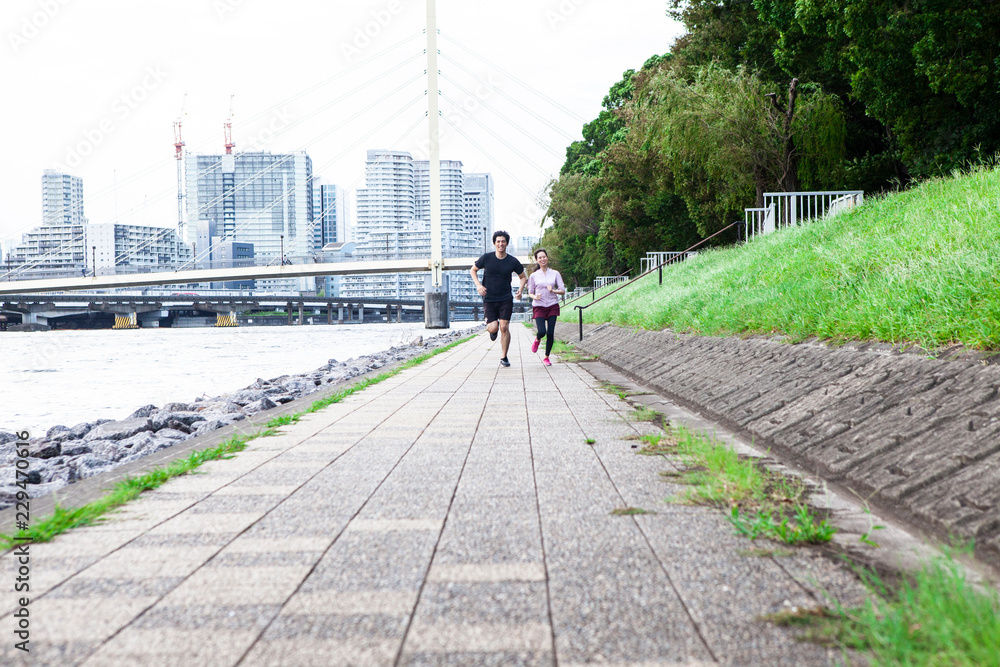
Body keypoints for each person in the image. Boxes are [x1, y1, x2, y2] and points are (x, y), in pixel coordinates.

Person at [470, 230, 526, 367]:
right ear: (494, 243)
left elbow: (523, 276)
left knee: (504, 327)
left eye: (503, 241)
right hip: (489, 298)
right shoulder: (486, 258)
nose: (501, 244)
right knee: (493, 327)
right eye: (498, 241)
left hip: (506, 298)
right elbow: (473, 270)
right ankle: (492, 332)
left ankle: (504, 356)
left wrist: (520, 290)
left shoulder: (512, 261)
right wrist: (478, 285)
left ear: (507, 243)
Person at [525, 248, 565, 366]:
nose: (542, 259)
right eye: (540, 258)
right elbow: (530, 292)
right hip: (539, 306)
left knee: (550, 333)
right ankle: (537, 339)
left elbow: (562, 290)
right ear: (537, 260)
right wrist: (534, 297)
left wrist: (553, 290)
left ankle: (546, 357)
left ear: (547, 258)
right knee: (542, 331)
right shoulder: (533, 276)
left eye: (544, 257)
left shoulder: (555, 273)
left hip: (552, 305)